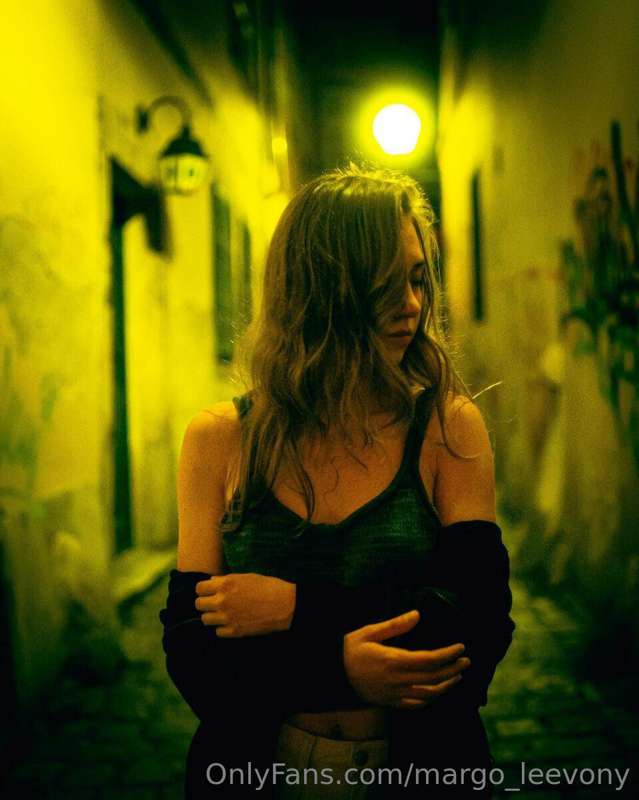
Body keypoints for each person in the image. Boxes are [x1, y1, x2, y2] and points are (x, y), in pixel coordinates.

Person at [159, 163, 515, 799]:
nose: (411, 306)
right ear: (320, 289)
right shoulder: (220, 439)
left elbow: (474, 629)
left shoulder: (446, 427)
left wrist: (294, 611)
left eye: (417, 279)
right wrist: (342, 665)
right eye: (384, 285)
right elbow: (195, 660)